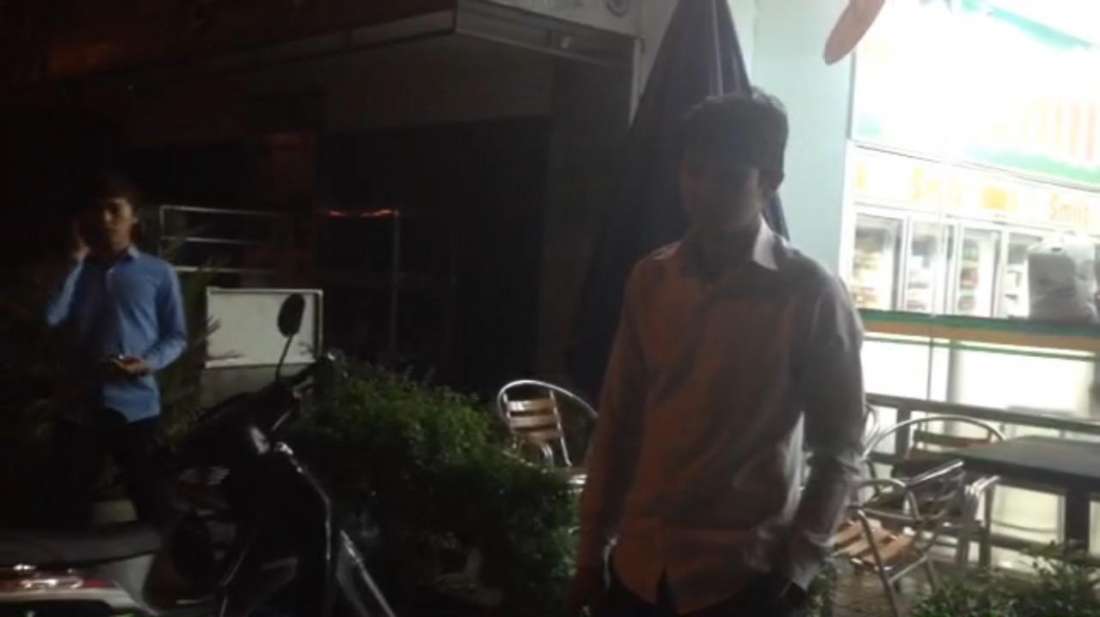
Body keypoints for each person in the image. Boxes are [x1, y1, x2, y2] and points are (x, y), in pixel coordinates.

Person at [568, 91, 865, 617]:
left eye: (727, 178)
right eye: (693, 171)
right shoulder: (652, 280)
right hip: (638, 567)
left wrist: (795, 572)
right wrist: (591, 551)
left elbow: (839, 448)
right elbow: (618, 420)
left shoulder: (810, 293)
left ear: (770, 181)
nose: (702, 190)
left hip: (741, 579)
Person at [45, 172, 187, 527]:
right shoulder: (76, 270)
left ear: (133, 216)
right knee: (66, 510)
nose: (105, 218)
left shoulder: (158, 272)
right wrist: (75, 261)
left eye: (114, 210)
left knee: (154, 501)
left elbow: (176, 336)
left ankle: (174, 560)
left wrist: (148, 363)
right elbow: (51, 317)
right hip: (79, 406)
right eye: (97, 210)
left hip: (136, 406)